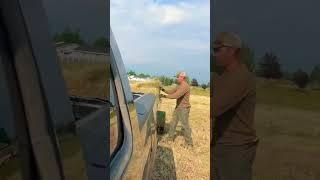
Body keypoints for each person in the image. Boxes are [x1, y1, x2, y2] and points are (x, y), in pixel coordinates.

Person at [211, 32, 259, 180]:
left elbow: (214, 108)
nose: (214, 54)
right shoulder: (224, 76)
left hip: (235, 149)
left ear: (232, 51)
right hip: (221, 144)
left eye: (218, 49)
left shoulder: (241, 77)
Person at [160, 71, 193, 148]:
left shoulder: (185, 86)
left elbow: (176, 95)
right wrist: (163, 89)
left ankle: (189, 143)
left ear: (182, 77)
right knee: (173, 123)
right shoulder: (179, 85)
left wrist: (164, 96)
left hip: (184, 108)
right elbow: (172, 91)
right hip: (178, 107)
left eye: (177, 77)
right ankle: (170, 138)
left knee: (185, 125)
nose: (176, 79)